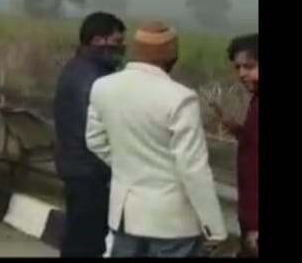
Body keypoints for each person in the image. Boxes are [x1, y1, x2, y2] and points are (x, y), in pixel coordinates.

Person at [86, 20, 227, 257]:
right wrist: (215, 228)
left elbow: (95, 140)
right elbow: (192, 168)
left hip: (124, 216)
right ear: (171, 56)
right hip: (172, 222)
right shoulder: (181, 98)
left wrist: (128, 164)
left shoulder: (103, 87)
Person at [53, 12, 125, 258]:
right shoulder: (95, 79)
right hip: (91, 172)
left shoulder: (75, 68)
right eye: (116, 43)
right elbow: (96, 132)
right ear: (98, 40)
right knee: (89, 242)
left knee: (77, 236)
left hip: (74, 166)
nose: (121, 49)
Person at [212, 33, 258, 257]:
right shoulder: (256, 100)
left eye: (249, 66)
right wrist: (240, 131)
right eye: (238, 68)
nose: (242, 74)